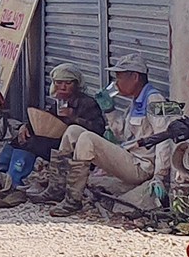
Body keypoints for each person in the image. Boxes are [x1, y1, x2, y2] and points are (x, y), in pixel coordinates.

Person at [52, 51, 170, 216]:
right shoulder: (136, 102)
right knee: (73, 131)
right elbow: (121, 134)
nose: (116, 82)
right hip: (129, 158)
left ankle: (73, 200)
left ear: (135, 77)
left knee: (87, 138)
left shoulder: (155, 100)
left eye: (119, 77)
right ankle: (57, 187)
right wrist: (109, 110)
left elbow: (165, 138)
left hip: (141, 166)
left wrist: (160, 176)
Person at [0, 64, 104, 190]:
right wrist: (25, 126)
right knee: (20, 139)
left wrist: (73, 117)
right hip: (58, 142)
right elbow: (45, 120)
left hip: (76, 150)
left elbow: (98, 130)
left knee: (32, 143)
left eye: (68, 83)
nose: (63, 87)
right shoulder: (59, 102)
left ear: (76, 84)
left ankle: (14, 180)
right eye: (59, 83)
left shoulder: (87, 103)